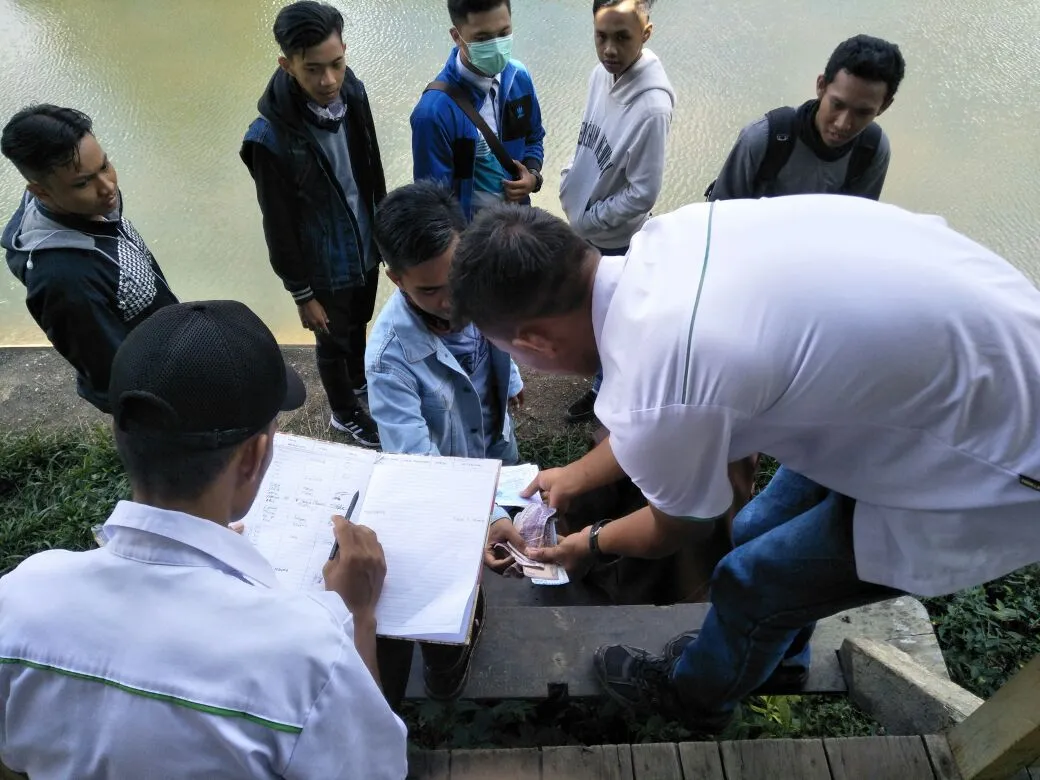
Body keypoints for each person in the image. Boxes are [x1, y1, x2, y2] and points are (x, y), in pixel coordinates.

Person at [446, 196, 1040, 734]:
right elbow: (679, 402)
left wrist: (589, 545)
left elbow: (679, 526)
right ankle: (776, 656)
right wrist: (575, 475)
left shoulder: (656, 383)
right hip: (967, 351)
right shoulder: (671, 239)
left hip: (996, 457)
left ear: (538, 342)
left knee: (751, 578)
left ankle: (694, 700)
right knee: (754, 530)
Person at [0, 300, 407, 778]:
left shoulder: (20, 598)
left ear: (121, 435)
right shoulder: (308, 655)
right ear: (255, 455)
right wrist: (357, 615)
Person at [365, 180, 527, 705]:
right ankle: (446, 676)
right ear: (395, 279)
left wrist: (514, 382)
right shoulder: (389, 357)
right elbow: (421, 466)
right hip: (445, 492)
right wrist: (485, 516)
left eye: (457, 279)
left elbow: (500, 335)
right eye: (429, 292)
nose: (453, 300)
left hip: (494, 448)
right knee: (453, 588)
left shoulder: (475, 280)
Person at [241, 0, 386, 447]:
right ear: (287, 65)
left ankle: (360, 385)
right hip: (322, 264)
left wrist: (384, 234)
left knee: (358, 323)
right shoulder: (269, 139)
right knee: (331, 341)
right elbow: (278, 223)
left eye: (336, 64)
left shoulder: (353, 93)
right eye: (313, 70)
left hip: (364, 244)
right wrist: (302, 293)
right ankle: (344, 412)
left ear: (345, 51)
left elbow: (371, 167)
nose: (328, 81)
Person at [1, 105, 177, 413]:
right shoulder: (64, 282)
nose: (108, 186)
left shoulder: (80, 205)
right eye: (83, 183)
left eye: (105, 165)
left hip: (171, 349)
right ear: (41, 192)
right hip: (155, 395)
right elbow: (110, 374)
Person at [560, 0, 674, 423]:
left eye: (622, 37)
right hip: (585, 225)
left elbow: (643, 192)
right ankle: (602, 384)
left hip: (615, 240)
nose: (609, 49)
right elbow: (586, 138)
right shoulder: (600, 75)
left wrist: (590, 219)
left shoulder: (652, 108)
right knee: (591, 315)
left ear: (646, 33)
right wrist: (568, 178)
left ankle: (606, 396)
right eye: (600, 36)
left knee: (613, 324)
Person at [706, 34, 905, 202]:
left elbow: (856, 223)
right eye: (837, 104)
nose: (843, 123)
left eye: (862, 112)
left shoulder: (872, 149)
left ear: (884, 107)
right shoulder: (763, 138)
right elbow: (718, 220)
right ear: (821, 86)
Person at [411, 0, 545, 222]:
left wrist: (532, 176)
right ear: (456, 36)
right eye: (482, 39)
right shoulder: (433, 114)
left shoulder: (519, 78)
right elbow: (433, 207)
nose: (496, 45)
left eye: (504, 33)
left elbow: (534, 137)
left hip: (518, 227)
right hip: (470, 245)